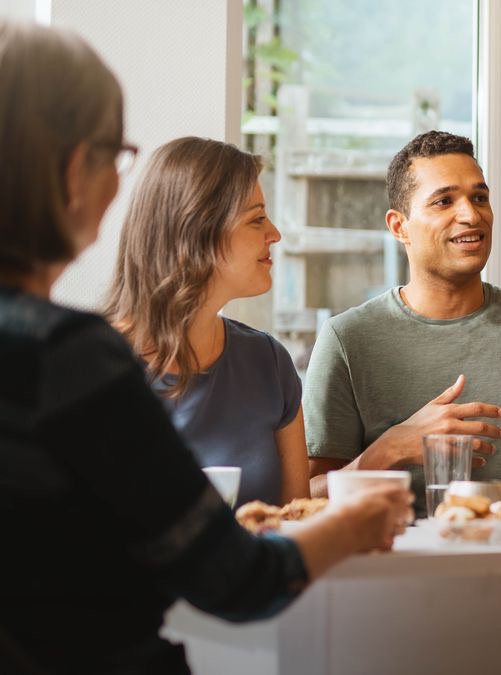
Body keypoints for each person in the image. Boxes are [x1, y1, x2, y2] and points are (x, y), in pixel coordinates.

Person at [0, 21, 411, 674]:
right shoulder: (72, 360)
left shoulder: (259, 360)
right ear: (76, 171)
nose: (117, 182)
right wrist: (357, 521)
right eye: (116, 154)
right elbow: (235, 578)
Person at [304, 130, 501, 516]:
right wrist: (392, 448)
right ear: (399, 227)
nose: (471, 214)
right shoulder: (347, 339)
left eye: (479, 198)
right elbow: (307, 502)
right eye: (444, 201)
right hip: (394, 569)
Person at [106, 137, 308, 507]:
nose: (274, 234)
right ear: (196, 233)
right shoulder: (93, 369)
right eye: (256, 219)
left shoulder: (269, 362)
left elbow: (296, 528)